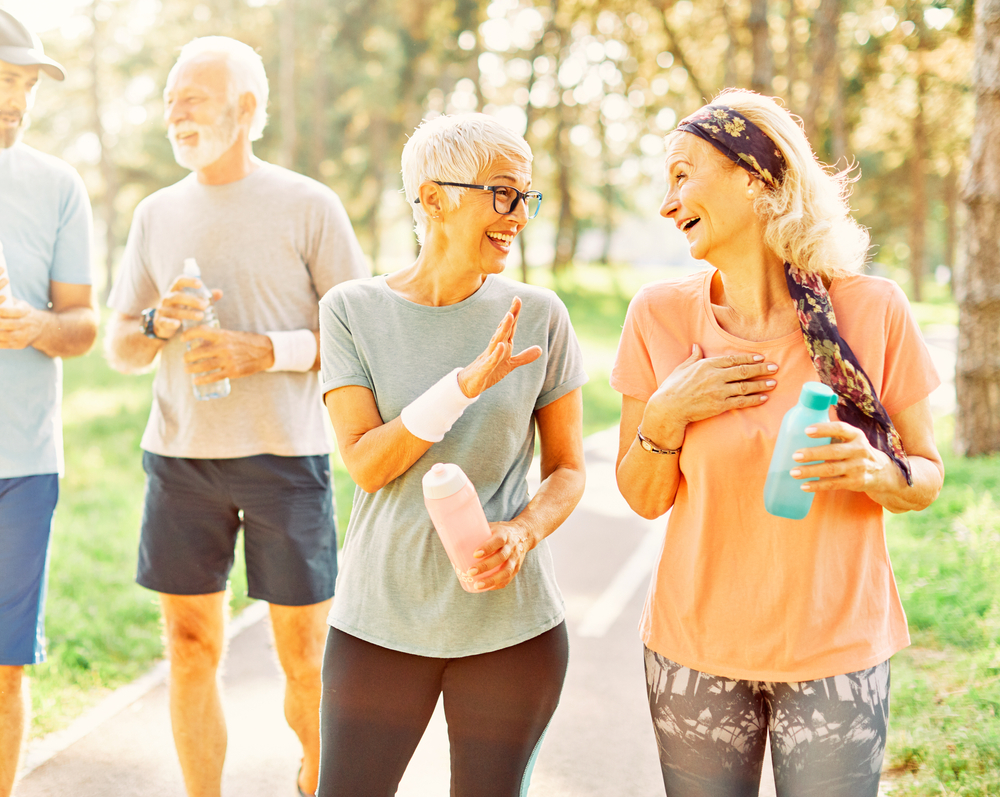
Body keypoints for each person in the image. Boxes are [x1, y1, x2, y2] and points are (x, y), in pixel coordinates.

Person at [611, 89, 944, 797]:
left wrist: (879, 472)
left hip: (835, 650)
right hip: (694, 649)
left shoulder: (870, 311)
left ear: (758, 176)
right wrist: (667, 414)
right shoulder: (660, 316)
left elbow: (927, 474)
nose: (667, 203)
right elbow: (641, 495)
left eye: (682, 174)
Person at [104, 36, 367, 797]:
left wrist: (266, 350)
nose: (174, 113)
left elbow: (360, 338)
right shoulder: (156, 214)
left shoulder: (310, 204)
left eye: (193, 97)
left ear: (247, 109)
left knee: (305, 656)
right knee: (190, 647)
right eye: (169, 100)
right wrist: (155, 322)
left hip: (286, 459)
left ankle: (318, 779)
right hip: (180, 462)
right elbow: (120, 344)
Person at [316, 113, 587, 796]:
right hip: (379, 620)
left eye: (527, 195)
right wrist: (463, 386)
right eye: (503, 192)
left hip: (511, 630)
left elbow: (568, 469)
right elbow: (368, 464)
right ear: (434, 197)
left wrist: (523, 530)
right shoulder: (351, 309)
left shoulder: (542, 314)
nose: (519, 213)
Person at [0, 10, 98, 796]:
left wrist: (35, 326)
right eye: (5, 79)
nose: (18, 100)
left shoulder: (57, 185)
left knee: (4, 669)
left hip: (22, 467)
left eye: (27, 84)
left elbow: (84, 323)